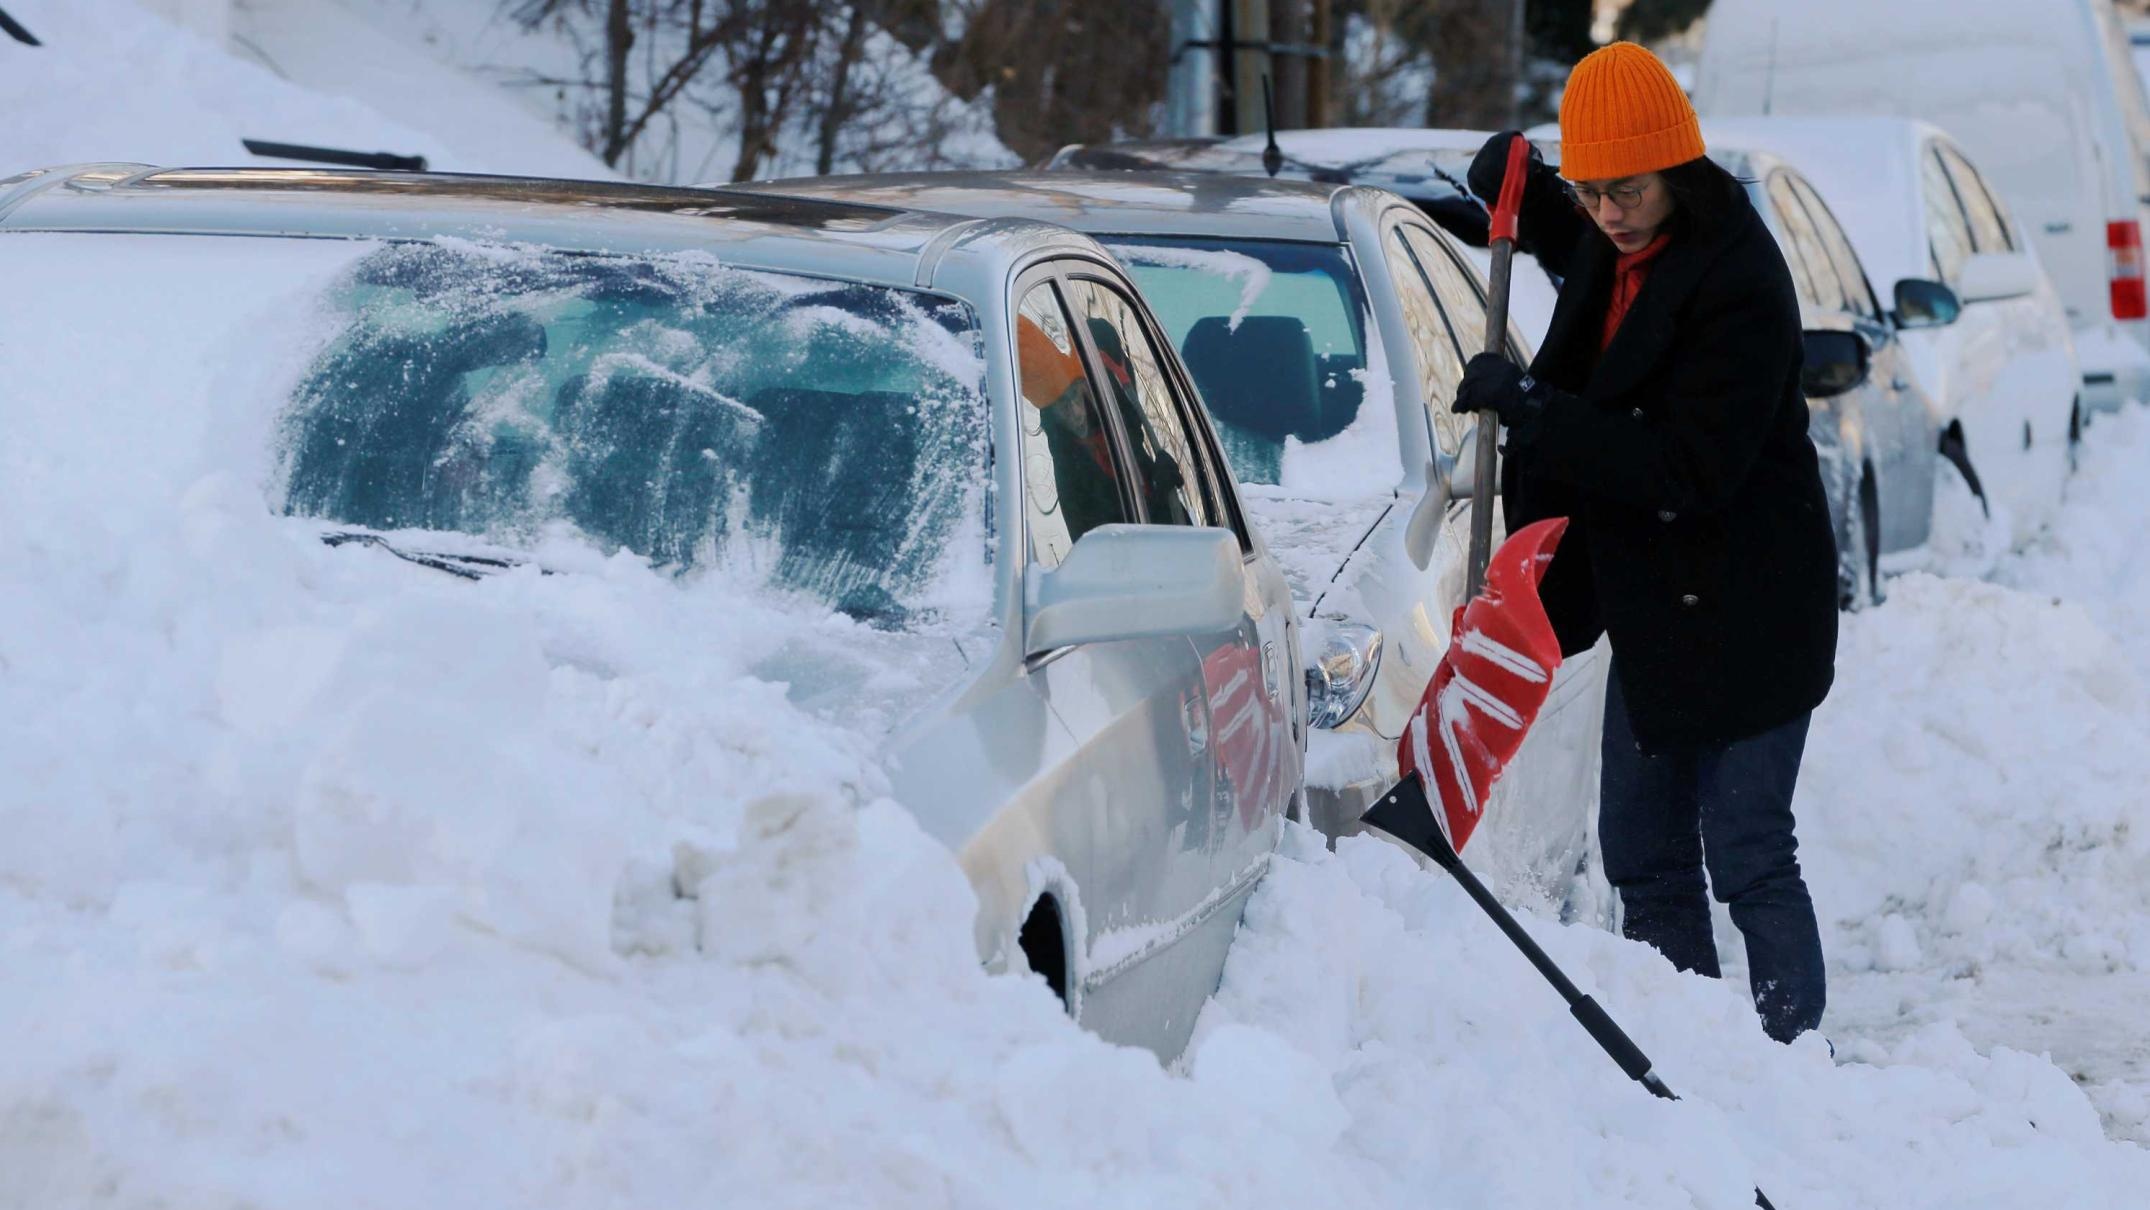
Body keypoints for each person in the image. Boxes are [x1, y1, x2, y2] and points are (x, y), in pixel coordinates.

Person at [1453, 42, 1839, 1044]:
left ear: (1675, 166)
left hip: (1750, 606)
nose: (1606, 213)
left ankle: (1790, 1061)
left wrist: (1534, 406)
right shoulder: (1613, 234)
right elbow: (1564, 238)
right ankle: (1692, 1050)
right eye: (1589, 194)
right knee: (1639, 853)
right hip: (1657, 605)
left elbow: (1682, 469)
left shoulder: (1737, 281)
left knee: (1748, 849)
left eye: (1622, 190)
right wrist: (1520, 179)